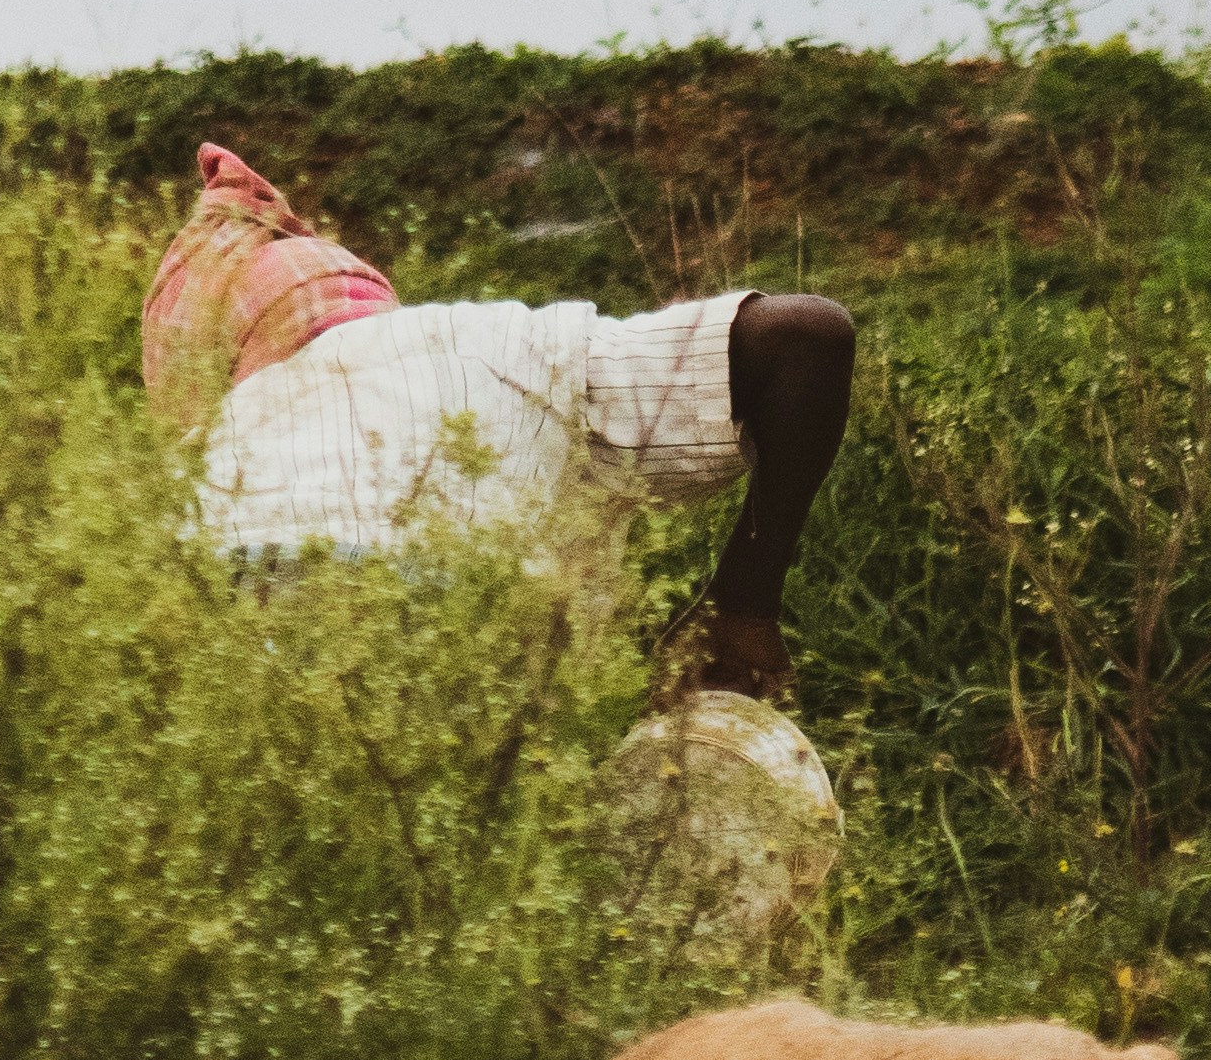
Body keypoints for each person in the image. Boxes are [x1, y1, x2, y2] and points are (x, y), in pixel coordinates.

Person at [142, 140, 854, 700]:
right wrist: (742, 611)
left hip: (333, 708)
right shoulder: (506, 346)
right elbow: (809, 339)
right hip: (496, 660)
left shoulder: (221, 451)